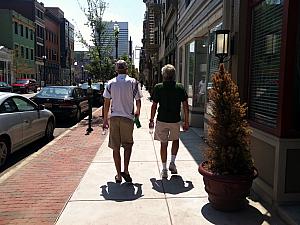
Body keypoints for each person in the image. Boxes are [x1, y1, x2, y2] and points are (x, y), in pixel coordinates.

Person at [102, 60, 142, 183]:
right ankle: (126, 170)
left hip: (114, 118)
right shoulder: (133, 82)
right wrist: (137, 113)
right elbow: (138, 101)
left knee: (116, 148)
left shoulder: (110, 83)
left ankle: (118, 175)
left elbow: (106, 103)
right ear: (127, 69)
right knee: (127, 146)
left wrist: (105, 120)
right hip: (127, 118)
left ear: (116, 70)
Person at [149, 64, 189, 179]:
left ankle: (164, 169)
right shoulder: (180, 87)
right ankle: (172, 162)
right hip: (175, 120)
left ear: (164, 75)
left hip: (162, 120)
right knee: (175, 140)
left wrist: (151, 119)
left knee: (163, 144)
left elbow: (154, 105)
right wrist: (186, 121)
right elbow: (185, 106)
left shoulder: (158, 87)